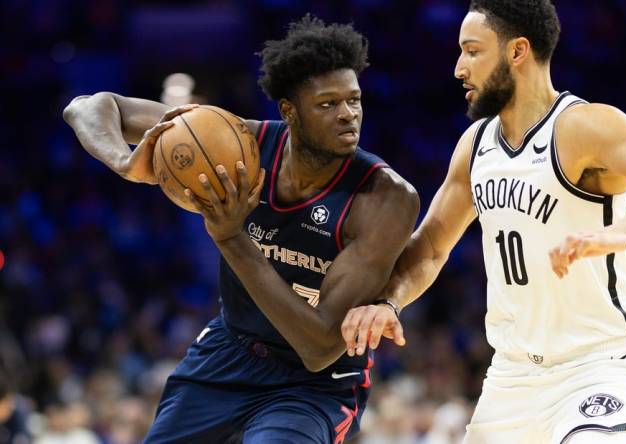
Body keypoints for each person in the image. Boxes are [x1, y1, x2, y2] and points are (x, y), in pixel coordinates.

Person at [341, 1, 626, 443]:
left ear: (517, 51)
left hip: (596, 369)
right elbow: (430, 248)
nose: (458, 68)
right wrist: (388, 300)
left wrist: (625, 229)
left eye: (472, 51)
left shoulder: (582, 127)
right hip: (512, 379)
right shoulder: (476, 145)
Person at [63, 15, 419, 444]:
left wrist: (232, 238)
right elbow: (88, 106)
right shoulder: (235, 143)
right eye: (328, 104)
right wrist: (124, 161)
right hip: (228, 352)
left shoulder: (385, 198)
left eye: (354, 100)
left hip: (312, 384)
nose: (348, 115)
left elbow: (320, 346)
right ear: (289, 111)